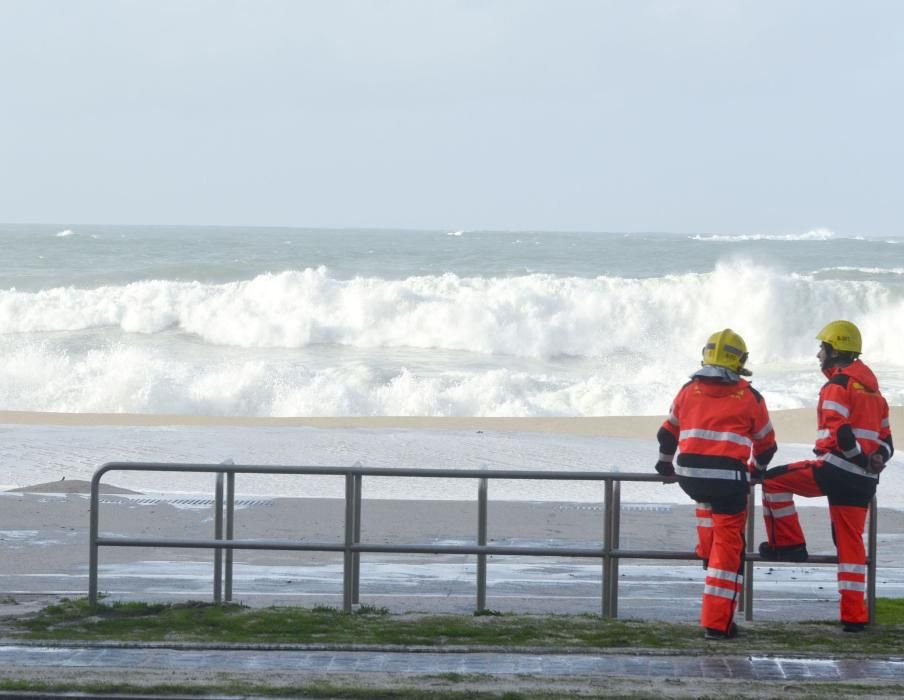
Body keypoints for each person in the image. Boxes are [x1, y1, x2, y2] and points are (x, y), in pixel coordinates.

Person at [759, 320, 892, 632]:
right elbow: (887, 443)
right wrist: (873, 461)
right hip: (864, 481)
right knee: (850, 544)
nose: (819, 354)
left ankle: (789, 544)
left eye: (823, 348)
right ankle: (854, 617)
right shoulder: (875, 394)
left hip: (836, 469)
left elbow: (839, 430)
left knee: (771, 481)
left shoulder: (837, 386)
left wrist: (857, 458)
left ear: (834, 351)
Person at [654, 329, 777, 640]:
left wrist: (665, 463)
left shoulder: (687, 390)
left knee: (706, 504)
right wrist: (756, 470)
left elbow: (667, 434)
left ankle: (706, 552)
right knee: (729, 550)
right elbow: (767, 447)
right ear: (740, 361)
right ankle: (717, 623)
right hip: (729, 481)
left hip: (689, 477)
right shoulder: (750, 397)